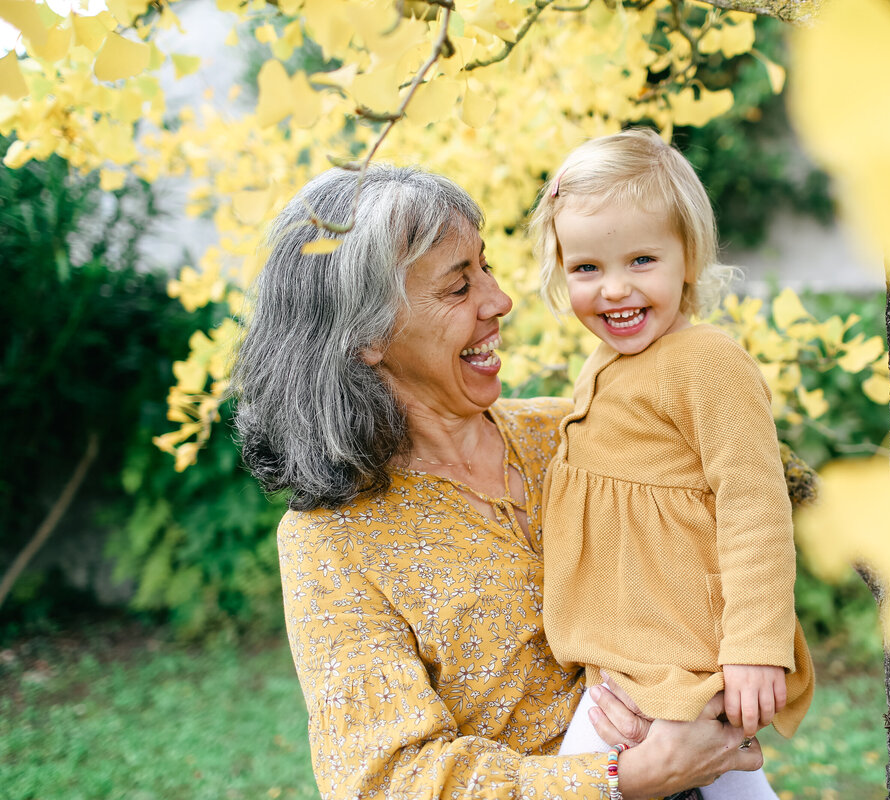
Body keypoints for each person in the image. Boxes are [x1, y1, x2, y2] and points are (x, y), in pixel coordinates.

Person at [231, 165, 766, 800]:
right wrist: (624, 780)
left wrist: (702, 687)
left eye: (485, 267)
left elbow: (738, 508)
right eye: (459, 288)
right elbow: (385, 782)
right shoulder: (331, 542)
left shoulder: (566, 430)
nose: (499, 300)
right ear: (369, 335)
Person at [530, 129, 815, 800]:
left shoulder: (707, 362)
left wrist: (754, 646)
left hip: (682, 659)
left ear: (688, 256)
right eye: (587, 269)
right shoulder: (608, 362)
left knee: (588, 785)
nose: (614, 289)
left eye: (641, 260)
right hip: (627, 666)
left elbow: (753, 505)